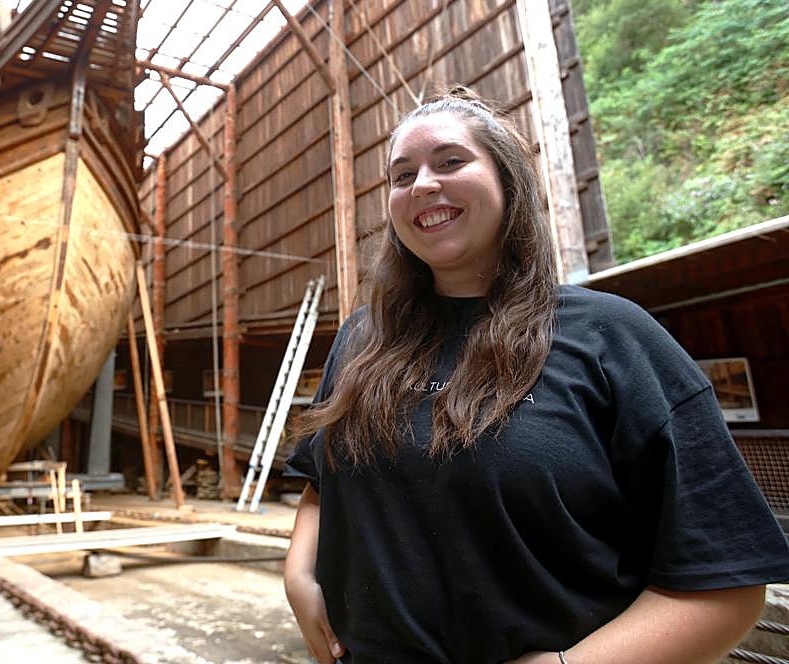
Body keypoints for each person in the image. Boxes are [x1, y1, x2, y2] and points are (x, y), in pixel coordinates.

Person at [282, 90, 789, 664]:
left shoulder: (611, 336)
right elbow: (322, 487)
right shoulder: (363, 340)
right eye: (402, 175)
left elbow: (726, 584)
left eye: (450, 161)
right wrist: (299, 573)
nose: (422, 184)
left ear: (509, 182)